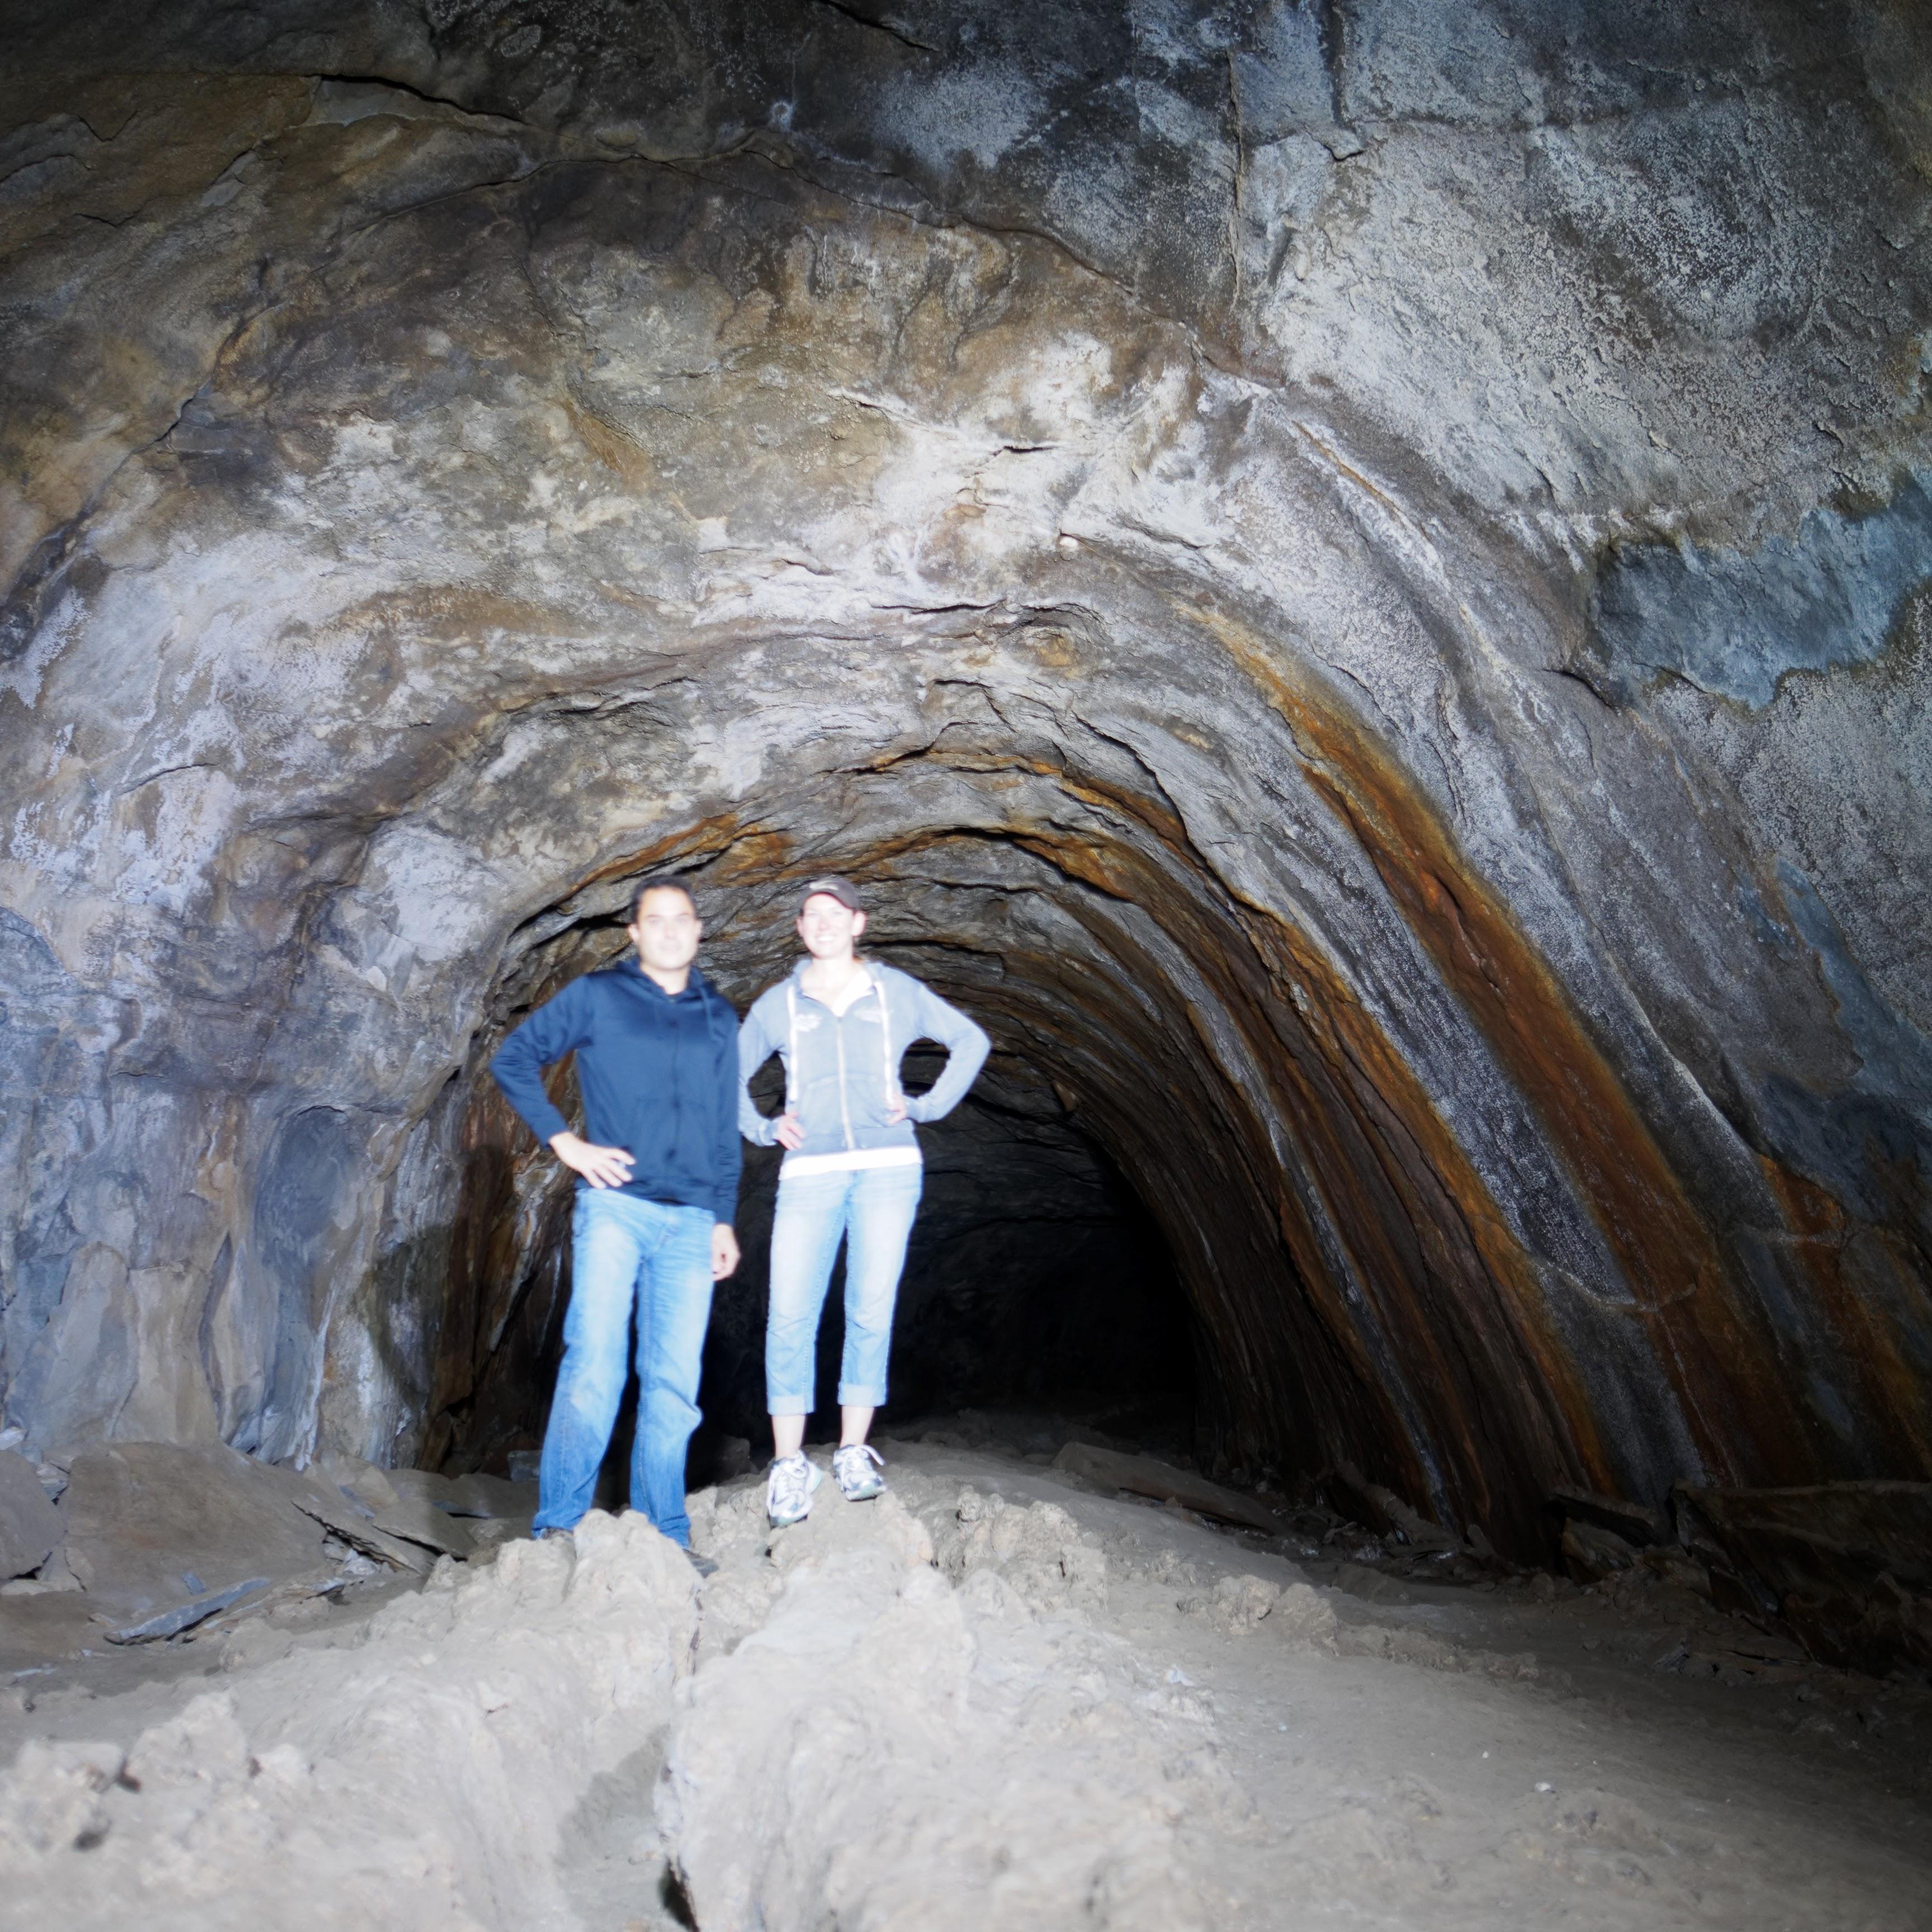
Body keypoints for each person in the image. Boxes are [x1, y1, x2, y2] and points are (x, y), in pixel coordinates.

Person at [490, 878, 741, 1560]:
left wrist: (723, 1219)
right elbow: (512, 1058)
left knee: (673, 1385)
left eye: (681, 919)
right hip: (616, 1209)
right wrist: (564, 1142)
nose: (668, 931)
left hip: (691, 1222)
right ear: (634, 932)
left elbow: (725, 1127)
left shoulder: (720, 1016)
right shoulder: (598, 997)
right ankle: (559, 1526)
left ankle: (665, 1535)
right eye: (654, 921)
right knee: (595, 1363)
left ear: (697, 930)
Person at [739, 875, 990, 1526]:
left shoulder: (895, 991)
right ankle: (789, 1463)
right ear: (800, 929)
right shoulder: (781, 1003)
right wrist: (763, 1128)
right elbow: (726, 1074)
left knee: (870, 1310)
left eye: (836, 912)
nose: (823, 922)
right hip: (809, 1174)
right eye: (810, 914)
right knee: (790, 1314)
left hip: (888, 1168)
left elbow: (971, 1041)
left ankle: (853, 1450)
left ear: (859, 923)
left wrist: (925, 1106)